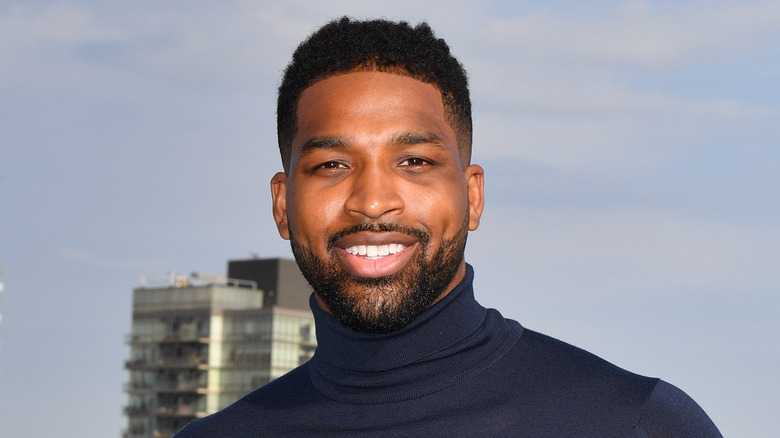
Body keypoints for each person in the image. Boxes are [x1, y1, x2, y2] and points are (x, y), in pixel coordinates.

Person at [175, 17, 722, 437]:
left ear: (473, 194)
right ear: (281, 204)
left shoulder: (632, 423)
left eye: (414, 161)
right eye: (332, 165)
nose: (372, 201)